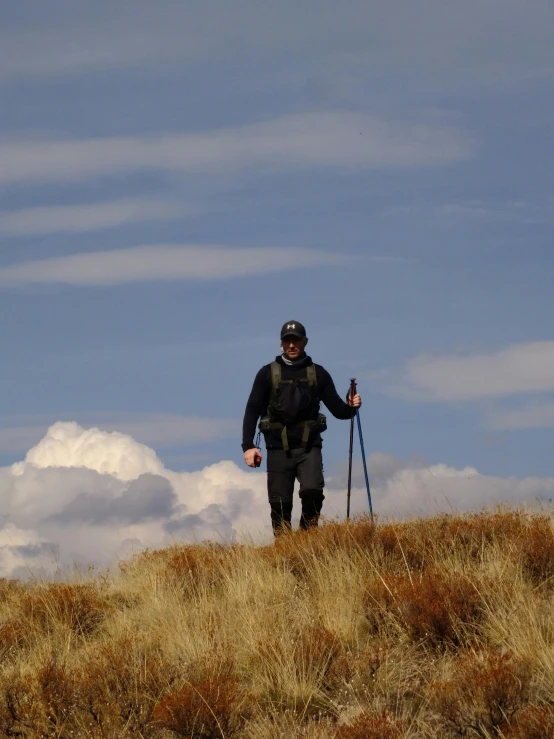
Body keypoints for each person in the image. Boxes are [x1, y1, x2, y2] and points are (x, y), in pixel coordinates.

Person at [242, 320, 362, 534]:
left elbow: (339, 411)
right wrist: (248, 446)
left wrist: (351, 407)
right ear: (281, 344)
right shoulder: (266, 374)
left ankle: (307, 537)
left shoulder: (318, 374)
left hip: (309, 447)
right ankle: (285, 548)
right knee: (279, 504)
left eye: (296, 340)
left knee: (313, 493)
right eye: (287, 340)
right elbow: (252, 409)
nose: (291, 345)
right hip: (277, 447)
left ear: (304, 342)